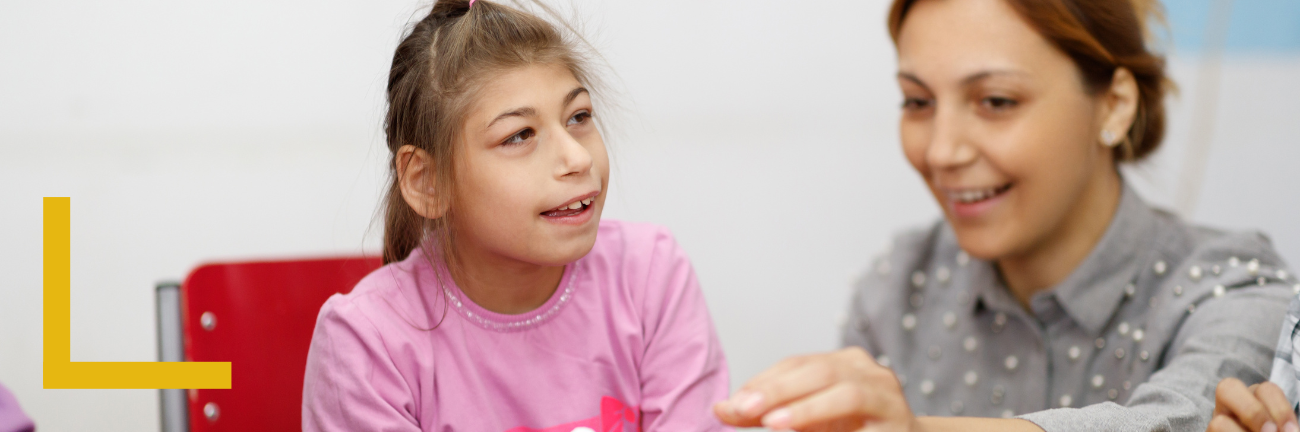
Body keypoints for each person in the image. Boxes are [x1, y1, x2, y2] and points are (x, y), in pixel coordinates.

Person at [714, 0, 1295, 431]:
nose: (942, 151)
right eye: (917, 102)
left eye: (996, 101)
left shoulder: (1233, 286)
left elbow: (1180, 422)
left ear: (1114, 105)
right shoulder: (898, 290)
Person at [300, 1, 730, 430]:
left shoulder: (649, 273)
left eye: (579, 116)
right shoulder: (366, 339)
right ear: (428, 181)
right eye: (519, 135)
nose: (578, 157)